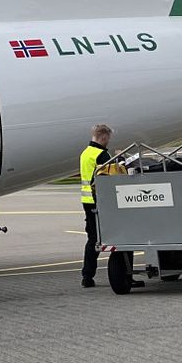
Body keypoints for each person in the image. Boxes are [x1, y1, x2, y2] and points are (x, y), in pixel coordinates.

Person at [79, 123, 113, 288]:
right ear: (104, 137)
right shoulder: (102, 155)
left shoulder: (85, 153)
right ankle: (125, 274)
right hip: (100, 201)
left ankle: (87, 275)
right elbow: (111, 178)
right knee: (116, 237)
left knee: (92, 239)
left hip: (87, 201)